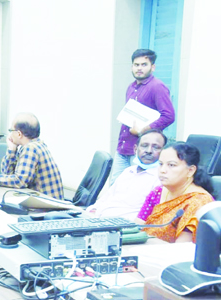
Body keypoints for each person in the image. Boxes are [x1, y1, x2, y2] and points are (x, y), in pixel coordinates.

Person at [112, 49, 175, 182]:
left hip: (143, 150)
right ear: (132, 67)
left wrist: (143, 130)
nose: (139, 68)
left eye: (144, 64)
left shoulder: (157, 86)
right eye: (136, 65)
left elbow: (169, 116)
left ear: (153, 67)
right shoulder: (131, 87)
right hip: (123, 147)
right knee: (116, 185)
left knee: (137, 187)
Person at [137, 143, 214, 243]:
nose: (162, 170)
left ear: (190, 170)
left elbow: (181, 247)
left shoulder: (198, 201)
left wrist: (144, 243)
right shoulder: (158, 192)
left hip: (171, 252)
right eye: (160, 164)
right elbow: (138, 226)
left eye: (171, 165)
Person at [0, 112, 64, 200]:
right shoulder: (38, 145)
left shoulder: (30, 148)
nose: (10, 134)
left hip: (47, 205)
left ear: (19, 134)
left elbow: (19, 181)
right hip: (46, 202)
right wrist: (12, 150)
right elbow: (8, 174)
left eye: (11, 131)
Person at [87, 129, 166, 220]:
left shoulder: (161, 179)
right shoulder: (128, 171)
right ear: (135, 149)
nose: (149, 151)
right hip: (97, 219)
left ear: (164, 152)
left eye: (156, 147)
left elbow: (147, 218)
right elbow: (106, 198)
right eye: (144, 146)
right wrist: (91, 211)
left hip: (123, 225)